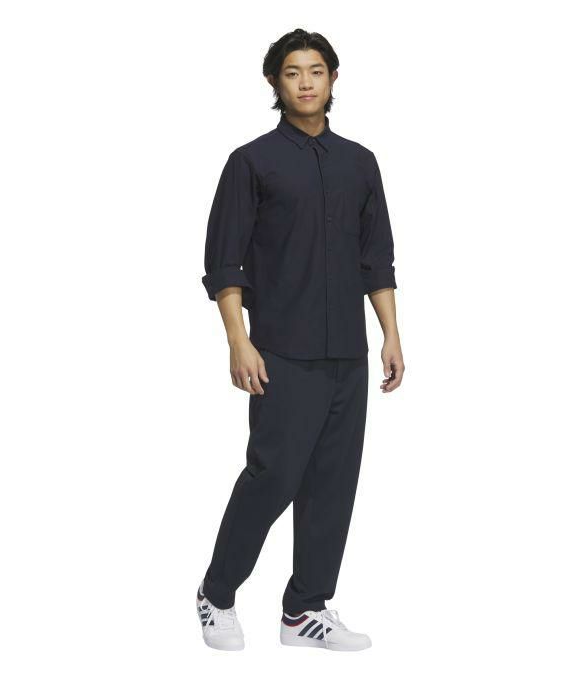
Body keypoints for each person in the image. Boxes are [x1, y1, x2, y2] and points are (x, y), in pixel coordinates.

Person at [196, 28, 405, 652]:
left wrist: (391, 334)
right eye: (293, 72)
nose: (306, 82)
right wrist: (239, 341)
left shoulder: (360, 162)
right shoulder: (251, 162)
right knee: (273, 476)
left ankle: (305, 610)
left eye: (317, 71)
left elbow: (377, 258)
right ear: (275, 82)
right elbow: (224, 262)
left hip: (348, 352)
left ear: (333, 78)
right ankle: (216, 593)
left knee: (333, 483)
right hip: (282, 350)